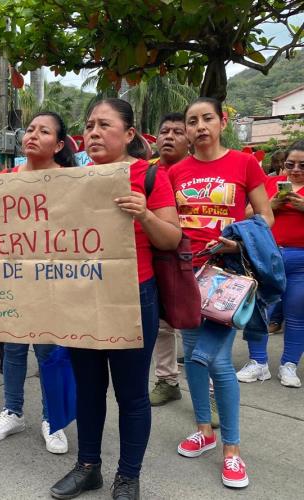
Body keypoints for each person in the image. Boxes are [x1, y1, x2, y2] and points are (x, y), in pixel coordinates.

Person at [50, 99, 181, 500]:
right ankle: (88, 466)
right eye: (88, 125)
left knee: (131, 394)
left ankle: (128, 476)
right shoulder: (72, 179)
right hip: (81, 295)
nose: (93, 132)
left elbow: (171, 238)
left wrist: (145, 215)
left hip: (132, 296)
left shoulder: (150, 176)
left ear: (128, 134)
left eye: (104, 124)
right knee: (88, 389)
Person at [168, 97, 273, 489]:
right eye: (192, 121)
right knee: (194, 359)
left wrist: (238, 241)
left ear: (222, 121)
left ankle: (232, 450)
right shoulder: (176, 170)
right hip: (185, 273)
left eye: (207, 118)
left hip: (227, 275)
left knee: (215, 360)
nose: (199, 127)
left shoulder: (244, 164)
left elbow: (266, 215)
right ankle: (203, 430)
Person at [0, 112, 73, 454]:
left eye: (43, 131)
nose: (33, 135)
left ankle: (53, 419)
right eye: (30, 129)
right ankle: (13, 411)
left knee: (48, 352)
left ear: (59, 145)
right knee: (15, 349)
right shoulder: (5, 179)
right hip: (12, 279)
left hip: (52, 282)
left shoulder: (71, 180)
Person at [237, 141, 304, 388]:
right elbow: (245, 214)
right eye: (290, 164)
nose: (295, 170)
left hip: (301, 260)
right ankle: (258, 363)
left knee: (297, 315)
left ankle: (289, 365)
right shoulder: (268, 184)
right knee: (259, 311)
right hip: (267, 256)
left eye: (302, 165)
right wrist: (271, 205)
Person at [148, 113, 190, 407]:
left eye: (177, 131)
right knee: (162, 325)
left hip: (195, 256)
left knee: (198, 326)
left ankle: (210, 393)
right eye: (164, 131)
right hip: (157, 255)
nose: (169, 136)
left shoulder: (199, 170)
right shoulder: (147, 171)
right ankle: (167, 380)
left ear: (189, 138)